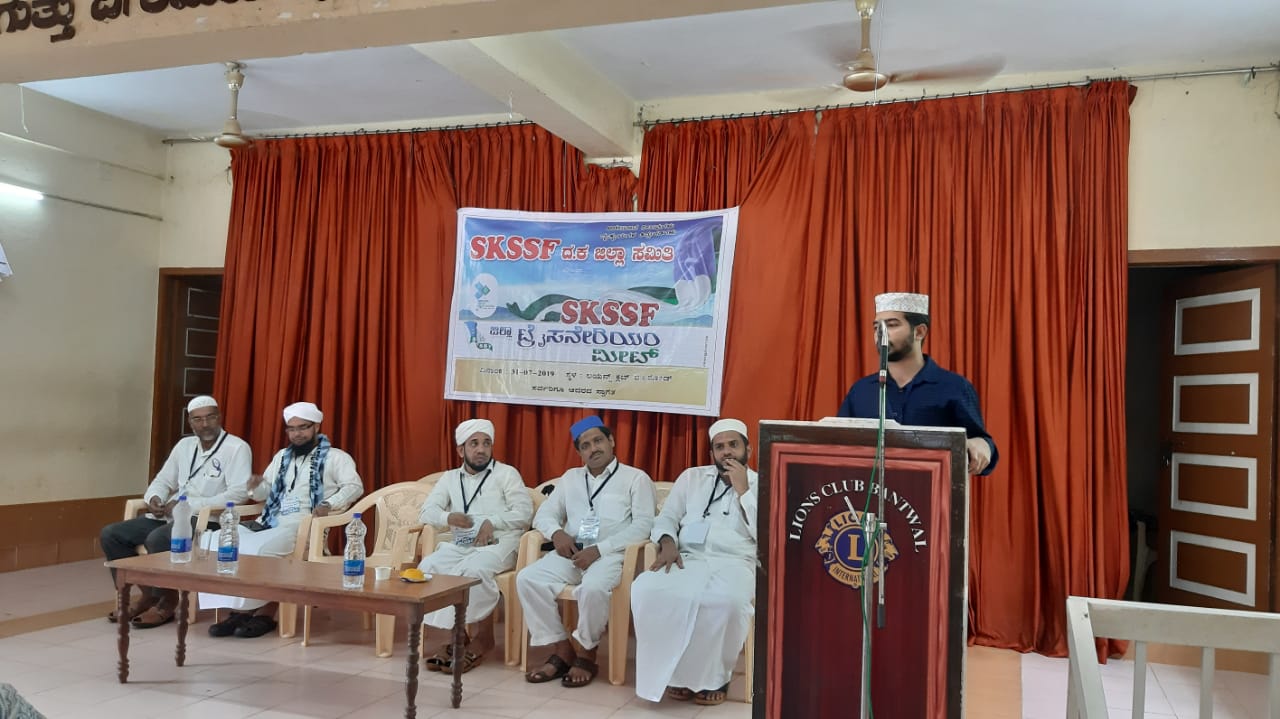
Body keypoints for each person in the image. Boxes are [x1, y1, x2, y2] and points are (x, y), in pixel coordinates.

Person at [200, 401, 363, 638]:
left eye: (303, 427)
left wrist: (329, 504)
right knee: (217, 540)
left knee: (259, 549)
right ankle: (239, 611)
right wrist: (256, 487)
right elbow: (265, 493)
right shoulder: (281, 457)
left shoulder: (337, 458)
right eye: (292, 429)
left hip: (304, 525)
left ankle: (266, 612)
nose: (297, 434)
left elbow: (354, 487)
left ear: (316, 426)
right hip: (269, 521)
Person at [517, 415, 656, 688]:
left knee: (592, 588)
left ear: (611, 441)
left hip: (611, 555)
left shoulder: (635, 478)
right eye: (585, 445)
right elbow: (544, 514)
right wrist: (557, 533)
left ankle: (587, 652)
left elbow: (644, 525)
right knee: (527, 579)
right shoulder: (570, 478)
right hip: (571, 553)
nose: (593, 449)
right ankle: (561, 648)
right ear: (579, 452)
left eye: (598, 440)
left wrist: (599, 550)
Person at [631, 418, 758, 706]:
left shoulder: (763, 483)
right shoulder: (691, 478)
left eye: (733, 445)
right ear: (712, 453)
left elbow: (767, 533)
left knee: (726, 602)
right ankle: (675, 674)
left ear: (748, 450)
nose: (727, 452)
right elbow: (667, 517)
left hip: (736, 562)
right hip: (687, 558)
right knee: (646, 589)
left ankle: (715, 677)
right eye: (720, 447)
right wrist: (667, 542)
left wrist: (744, 492)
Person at [99, 395, 251, 629]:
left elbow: (239, 494)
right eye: (198, 419)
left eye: (210, 417)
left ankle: (166, 601)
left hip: (207, 519)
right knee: (112, 534)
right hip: (170, 516)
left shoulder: (237, 448)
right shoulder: (184, 446)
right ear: (190, 422)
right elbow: (163, 480)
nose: (205, 424)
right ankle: (146, 595)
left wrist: (190, 505)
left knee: (158, 538)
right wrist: (154, 498)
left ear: (219, 418)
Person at [837, 292, 999, 475]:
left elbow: (981, 443)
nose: (880, 334)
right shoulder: (861, 390)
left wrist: (981, 445)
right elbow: (836, 443)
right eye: (876, 327)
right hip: (869, 491)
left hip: (933, 491)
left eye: (891, 325)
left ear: (919, 332)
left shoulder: (954, 387)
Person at [416, 419, 533, 673]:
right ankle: (457, 636)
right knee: (429, 567)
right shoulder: (449, 478)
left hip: (500, 542)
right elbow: (426, 511)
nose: (481, 449)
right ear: (461, 450)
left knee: (474, 570)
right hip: (462, 544)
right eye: (474, 444)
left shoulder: (506, 474)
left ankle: (484, 638)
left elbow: (524, 513)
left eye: (486, 443)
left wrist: (493, 521)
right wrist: (448, 517)